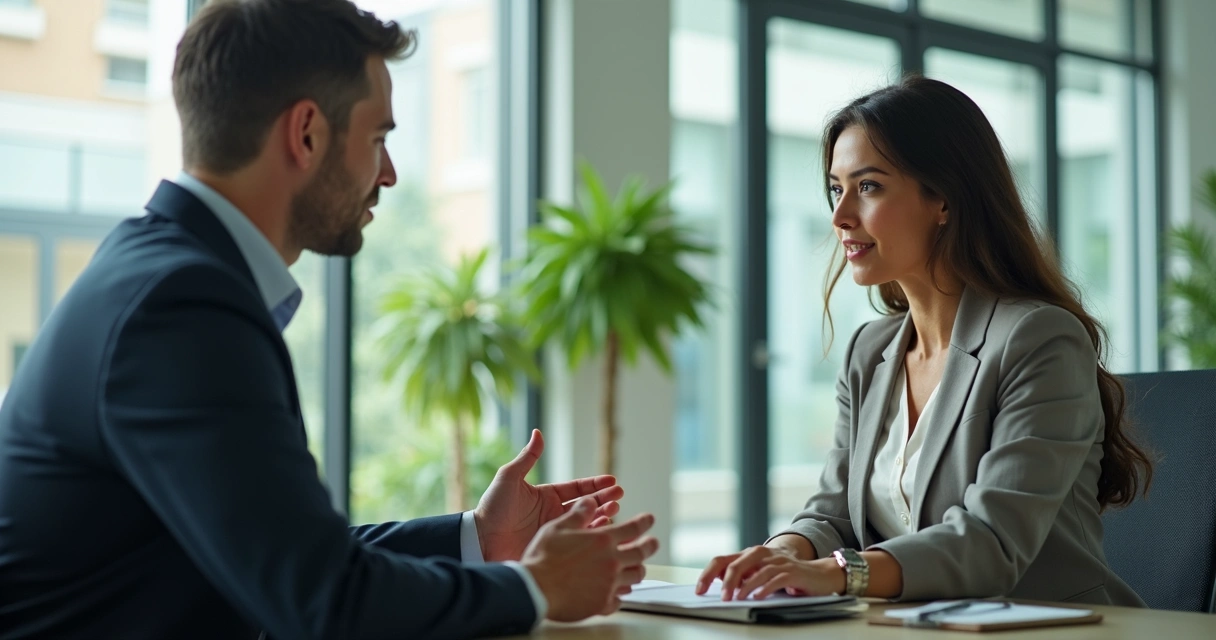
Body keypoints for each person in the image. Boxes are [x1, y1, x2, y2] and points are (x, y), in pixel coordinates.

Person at [0, 1, 658, 638]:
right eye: (378, 139)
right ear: (307, 133)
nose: (389, 173)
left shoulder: (160, 273)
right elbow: (321, 603)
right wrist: (535, 587)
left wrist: (479, 539)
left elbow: (286, 557)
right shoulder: (181, 306)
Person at [697, 75, 1154, 607]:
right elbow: (833, 515)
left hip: (1048, 626)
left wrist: (838, 573)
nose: (841, 217)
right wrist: (779, 556)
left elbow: (992, 542)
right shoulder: (869, 352)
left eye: (868, 187)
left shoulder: (1038, 339)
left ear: (944, 199)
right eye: (836, 189)